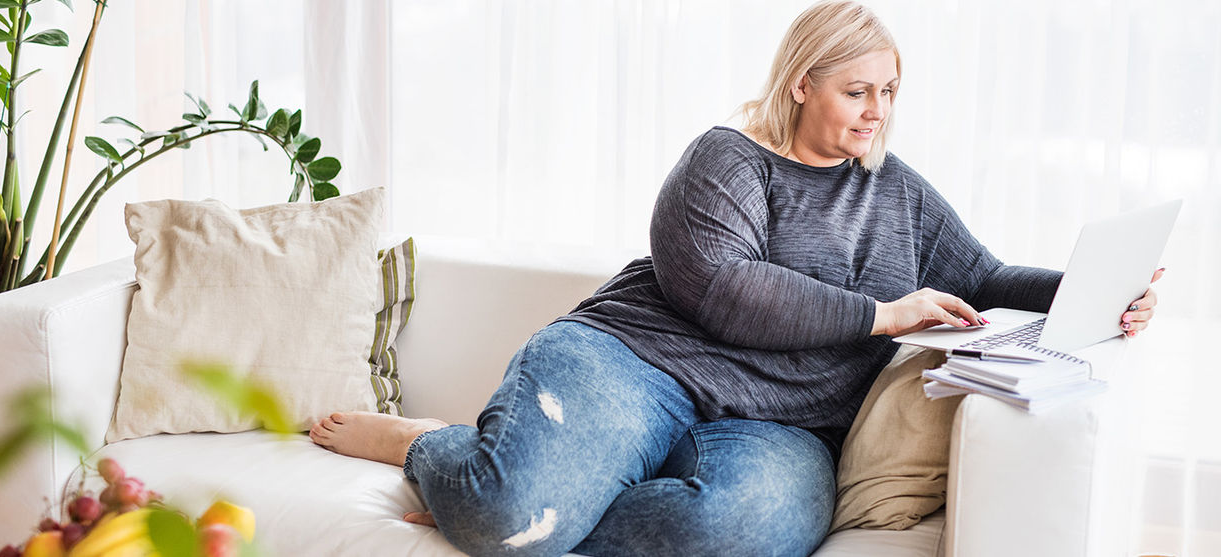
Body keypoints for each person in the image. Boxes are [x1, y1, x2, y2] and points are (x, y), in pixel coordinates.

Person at [310, 1, 1163, 555]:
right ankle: (432, 447)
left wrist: (1095, 289)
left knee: (740, 531)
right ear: (802, 85)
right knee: (503, 512)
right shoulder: (728, 158)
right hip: (635, 362)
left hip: (784, 427)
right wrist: (880, 314)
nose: (878, 111)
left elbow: (985, 274)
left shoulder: (896, 192)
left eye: (889, 92)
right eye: (858, 91)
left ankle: (548, 506)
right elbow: (721, 285)